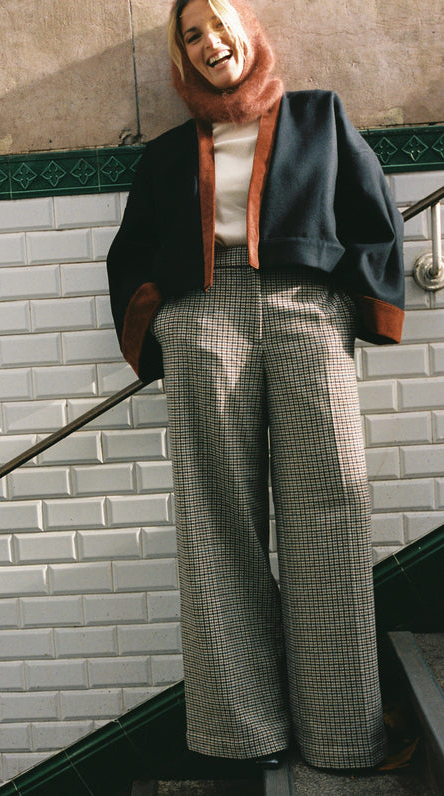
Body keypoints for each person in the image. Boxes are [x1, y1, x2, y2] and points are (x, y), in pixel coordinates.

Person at [107, 0, 404, 771]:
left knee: (331, 501)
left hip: (305, 307)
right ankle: (243, 734)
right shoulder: (170, 153)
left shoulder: (317, 116)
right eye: (190, 35)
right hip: (205, 317)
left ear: (248, 25)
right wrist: (165, 323)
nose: (209, 42)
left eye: (216, 22)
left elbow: (372, 214)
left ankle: (343, 735)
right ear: (182, 57)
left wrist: (349, 300)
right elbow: (132, 250)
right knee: (217, 519)